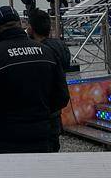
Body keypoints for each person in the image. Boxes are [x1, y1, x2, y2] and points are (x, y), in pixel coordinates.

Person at [0, 6, 69, 154]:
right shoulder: (47, 52)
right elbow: (62, 96)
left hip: (3, 138)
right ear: (21, 24)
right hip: (41, 134)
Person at [26, 8, 71, 152]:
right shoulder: (61, 45)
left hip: (42, 109)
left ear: (31, 29)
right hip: (55, 110)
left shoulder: (39, 51)